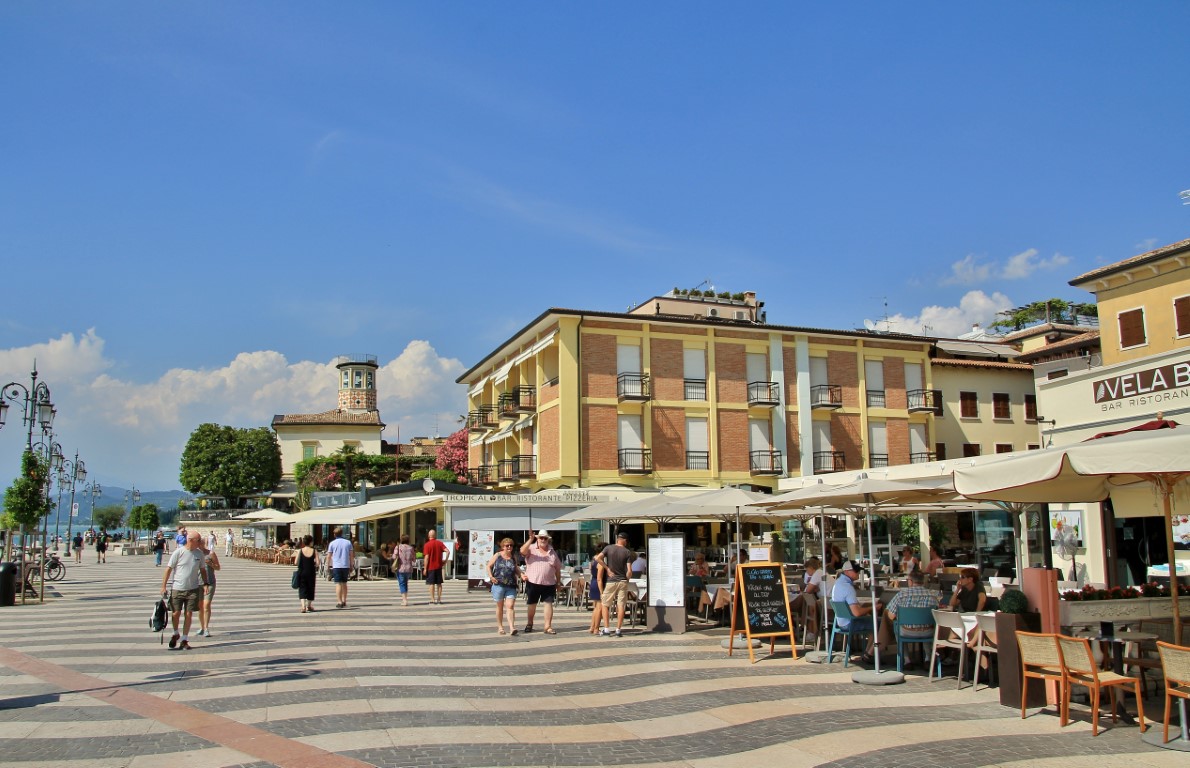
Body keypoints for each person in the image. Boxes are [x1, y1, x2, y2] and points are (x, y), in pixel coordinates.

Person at [872, 569, 942, 661]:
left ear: (910, 581)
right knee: (927, 624)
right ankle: (928, 658)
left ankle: (906, 659)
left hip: (906, 632)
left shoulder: (901, 595)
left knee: (897, 627)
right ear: (923, 581)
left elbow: (891, 616)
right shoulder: (933, 596)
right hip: (928, 632)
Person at [160, 530, 206, 651]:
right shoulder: (178, 552)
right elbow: (168, 569)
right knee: (176, 613)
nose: (200, 542)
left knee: (188, 613)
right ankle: (176, 633)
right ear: (190, 540)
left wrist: (205, 583)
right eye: (198, 540)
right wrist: (163, 586)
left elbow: (203, 570)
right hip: (177, 588)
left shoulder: (199, 554)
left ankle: (184, 639)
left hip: (193, 589)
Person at [830, 560, 882, 663]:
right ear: (847, 572)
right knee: (880, 624)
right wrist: (872, 608)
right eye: (856, 571)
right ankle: (869, 654)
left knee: (872, 621)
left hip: (841, 622)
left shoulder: (837, 583)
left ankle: (868, 652)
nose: (858, 573)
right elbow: (857, 613)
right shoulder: (848, 587)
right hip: (849, 623)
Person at [594, 531, 637, 637]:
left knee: (605, 604)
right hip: (622, 581)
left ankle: (606, 629)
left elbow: (598, 558)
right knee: (621, 605)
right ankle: (618, 630)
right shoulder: (627, 552)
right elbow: (629, 571)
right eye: (626, 541)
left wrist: (607, 569)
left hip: (611, 580)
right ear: (624, 540)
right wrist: (627, 578)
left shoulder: (608, 548)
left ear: (618, 539)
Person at [520, 529, 563, 634]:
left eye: (545, 538)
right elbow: (522, 551)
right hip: (533, 582)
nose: (543, 540)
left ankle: (548, 626)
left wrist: (558, 582)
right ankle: (530, 623)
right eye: (541, 538)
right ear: (537, 539)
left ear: (548, 539)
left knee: (549, 603)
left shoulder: (552, 552)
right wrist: (530, 539)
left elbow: (558, 569)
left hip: (549, 583)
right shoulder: (531, 548)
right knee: (532, 604)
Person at [486, 537, 521, 634]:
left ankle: (512, 628)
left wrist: (521, 575)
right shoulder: (497, 555)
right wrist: (491, 577)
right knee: (500, 606)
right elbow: (488, 566)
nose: (509, 547)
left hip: (511, 585)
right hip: (499, 584)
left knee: (510, 606)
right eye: (507, 545)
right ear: (502, 547)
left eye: (511, 545)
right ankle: (500, 627)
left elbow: (516, 568)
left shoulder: (513, 557)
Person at [788, 556, 823, 643]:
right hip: (826, 601)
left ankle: (811, 631)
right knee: (808, 603)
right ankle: (809, 630)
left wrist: (812, 589)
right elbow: (811, 589)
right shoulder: (820, 572)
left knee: (810, 605)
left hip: (826, 604)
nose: (807, 572)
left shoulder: (817, 573)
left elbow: (808, 590)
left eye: (807, 570)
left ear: (811, 568)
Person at [197, 537, 221, 637]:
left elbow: (218, 567)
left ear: (204, 544)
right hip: (198, 583)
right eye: (198, 543)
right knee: (200, 607)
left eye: (201, 543)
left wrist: (210, 564)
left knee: (206, 605)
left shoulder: (210, 554)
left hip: (210, 582)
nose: (199, 545)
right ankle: (202, 627)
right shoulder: (194, 554)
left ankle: (206, 628)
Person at [326, 527, 354, 608]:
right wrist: (351, 565)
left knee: (338, 583)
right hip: (345, 565)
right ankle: (344, 600)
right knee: (344, 583)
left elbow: (329, 556)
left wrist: (327, 565)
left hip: (337, 566)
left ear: (334, 534)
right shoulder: (348, 543)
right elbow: (351, 555)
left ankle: (339, 601)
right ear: (342, 534)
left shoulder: (332, 543)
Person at [293, 534, 319, 613]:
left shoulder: (300, 551)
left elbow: (296, 562)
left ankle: (303, 606)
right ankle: (309, 606)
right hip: (311, 572)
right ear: (311, 542)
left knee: (302, 588)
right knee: (310, 588)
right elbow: (317, 563)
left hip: (302, 572)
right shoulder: (314, 551)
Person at [423, 528, 448, 605]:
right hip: (438, 566)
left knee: (431, 583)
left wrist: (425, 568)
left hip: (430, 567)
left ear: (428, 536)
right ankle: (439, 599)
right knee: (439, 583)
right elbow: (448, 551)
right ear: (435, 535)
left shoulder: (427, 545)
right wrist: (445, 560)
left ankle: (432, 599)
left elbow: (427, 557)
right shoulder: (440, 543)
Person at [588, 544, 609, 635]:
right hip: (598, 584)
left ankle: (592, 627)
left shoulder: (593, 559)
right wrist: (601, 592)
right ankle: (596, 628)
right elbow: (599, 578)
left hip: (593, 582)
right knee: (599, 608)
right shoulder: (600, 563)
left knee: (596, 608)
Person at [394, 534, 415, 606]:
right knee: (405, 583)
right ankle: (405, 598)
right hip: (409, 569)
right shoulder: (411, 548)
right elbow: (414, 559)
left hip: (400, 568)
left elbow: (394, 557)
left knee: (402, 584)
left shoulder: (398, 547)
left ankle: (404, 600)